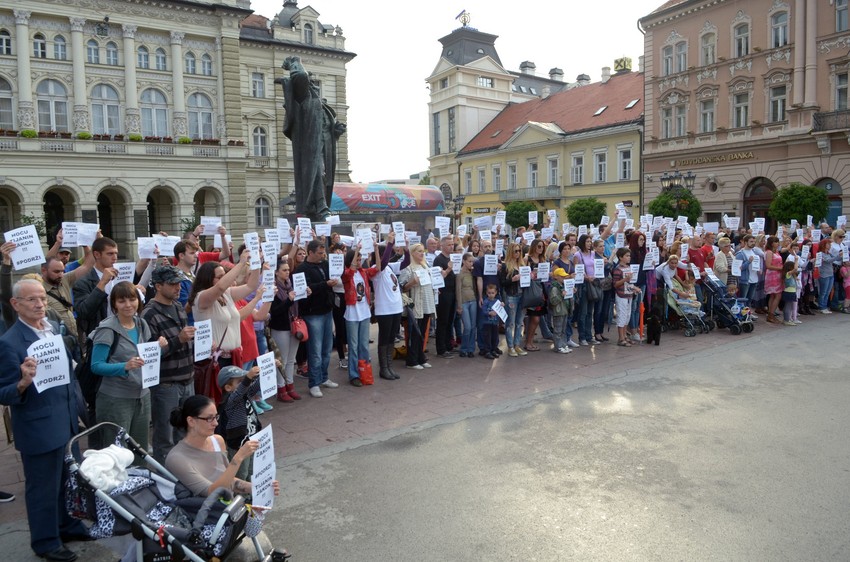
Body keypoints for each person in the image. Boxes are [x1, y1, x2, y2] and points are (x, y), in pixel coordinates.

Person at [0, 279, 90, 562]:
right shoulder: (9, 343)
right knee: (42, 489)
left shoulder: (50, 330)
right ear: (16, 305)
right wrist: (23, 382)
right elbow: (4, 393)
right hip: (39, 428)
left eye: (41, 298)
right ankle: (46, 542)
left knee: (67, 481)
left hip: (65, 422)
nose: (40, 304)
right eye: (32, 300)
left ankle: (68, 525)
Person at [90, 281, 167, 456]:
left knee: (139, 450)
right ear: (114, 304)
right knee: (116, 453)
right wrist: (124, 366)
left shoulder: (141, 324)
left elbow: (146, 359)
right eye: (121, 301)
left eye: (132, 300)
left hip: (142, 396)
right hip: (116, 399)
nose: (128, 305)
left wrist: (158, 349)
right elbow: (96, 366)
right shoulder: (107, 329)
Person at [166, 395, 280, 499]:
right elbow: (213, 492)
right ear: (191, 421)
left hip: (228, 512)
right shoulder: (176, 459)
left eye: (216, 417)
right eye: (209, 418)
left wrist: (259, 488)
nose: (215, 423)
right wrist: (238, 458)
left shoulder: (217, 440)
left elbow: (228, 480)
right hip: (206, 517)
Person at [278, 55, 346, 220]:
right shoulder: (306, 99)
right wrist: (295, 63)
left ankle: (318, 208)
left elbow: (327, 128)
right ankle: (320, 208)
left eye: (316, 86)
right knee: (316, 174)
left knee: (324, 176)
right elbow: (300, 76)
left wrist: (335, 130)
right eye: (312, 85)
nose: (315, 88)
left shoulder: (323, 107)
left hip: (324, 146)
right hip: (310, 146)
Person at [141, 265, 196, 464]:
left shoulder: (178, 307)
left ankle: (184, 471)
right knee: (165, 434)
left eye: (179, 283)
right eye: (172, 284)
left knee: (185, 431)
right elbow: (149, 354)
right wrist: (178, 340)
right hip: (166, 384)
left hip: (186, 378)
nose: (178, 287)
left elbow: (184, 341)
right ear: (158, 286)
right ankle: (165, 474)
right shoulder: (149, 314)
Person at [188, 249, 258, 371]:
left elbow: (251, 286)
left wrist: (256, 261)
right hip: (216, 359)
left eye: (224, 276)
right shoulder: (201, 297)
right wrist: (241, 263)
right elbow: (220, 287)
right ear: (207, 279)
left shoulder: (226, 294)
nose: (224, 279)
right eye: (219, 277)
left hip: (234, 356)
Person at [296, 239, 339, 397]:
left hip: (327, 311)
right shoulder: (301, 269)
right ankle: (314, 382)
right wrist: (326, 284)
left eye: (323, 253)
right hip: (312, 313)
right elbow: (305, 289)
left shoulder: (325, 264)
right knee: (315, 350)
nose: (322, 256)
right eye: (319, 253)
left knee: (327, 348)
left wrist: (332, 283)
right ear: (311, 252)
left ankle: (324, 377)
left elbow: (330, 279)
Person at [341, 243, 380, 386]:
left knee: (363, 345)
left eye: (360, 259)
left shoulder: (363, 272)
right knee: (353, 345)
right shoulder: (346, 273)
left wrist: (376, 249)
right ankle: (354, 375)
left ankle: (364, 370)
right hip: (352, 314)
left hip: (364, 313)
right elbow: (349, 272)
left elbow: (378, 268)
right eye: (357, 259)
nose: (359, 262)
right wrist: (356, 250)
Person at [217, 365, 262, 481]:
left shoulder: (246, 393)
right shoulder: (230, 400)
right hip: (239, 444)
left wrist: (268, 368)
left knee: (252, 471)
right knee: (241, 473)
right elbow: (239, 392)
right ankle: (239, 497)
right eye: (239, 382)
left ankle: (250, 495)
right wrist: (247, 378)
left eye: (243, 380)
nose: (244, 384)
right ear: (228, 387)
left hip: (252, 438)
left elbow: (257, 385)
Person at [269, 260, 302, 401]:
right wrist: (288, 300)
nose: (287, 272)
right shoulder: (273, 289)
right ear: (276, 272)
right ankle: (281, 388)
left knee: (290, 359)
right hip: (280, 327)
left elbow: (298, 305)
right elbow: (274, 311)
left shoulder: (290, 285)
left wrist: (304, 294)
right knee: (280, 359)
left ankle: (290, 385)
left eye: (288, 269)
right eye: (284, 270)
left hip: (293, 325)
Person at [399, 243, 436, 370]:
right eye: (419, 251)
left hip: (426, 303)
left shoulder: (425, 266)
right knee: (415, 332)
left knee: (422, 332)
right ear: (412, 253)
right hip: (416, 304)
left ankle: (421, 357)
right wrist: (412, 282)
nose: (422, 253)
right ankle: (412, 360)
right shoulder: (408, 268)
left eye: (422, 251)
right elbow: (402, 287)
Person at [371, 233, 403, 380]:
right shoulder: (376, 269)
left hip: (396, 308)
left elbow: (406, 262)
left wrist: (406, 248)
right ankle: (383, 368)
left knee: (391, 338)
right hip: (384, 310)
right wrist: (389, 244)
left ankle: (389, 366)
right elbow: (382, 264)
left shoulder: (389, 267)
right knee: (384, 338)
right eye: (387, 254)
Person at [499, 242, 527, 356]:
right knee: (510, 323)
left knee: (519, 323)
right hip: (511, 296)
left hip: (522, 295)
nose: (518, 253)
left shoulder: (522, 264)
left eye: (519, 251)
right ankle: (510, 346)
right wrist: (512, 279)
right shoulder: (505, 266)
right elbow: (502, 283)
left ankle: (517, 345)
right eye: (516, 251)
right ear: (511, 252)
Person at [433, 236, 457, 358]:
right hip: (443, 294)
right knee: (442, 321)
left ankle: (448, 345)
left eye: (452, 244)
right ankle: (441, 349)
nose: (451, 246)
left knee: (449, 321)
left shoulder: (452, 258)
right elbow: (437, 277)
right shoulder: (438, 260)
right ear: (442, 246)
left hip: (452, 292)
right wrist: (448, 269)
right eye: (449, 245)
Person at [612, 248, 641, 347]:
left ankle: (624, 336)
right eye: (626, 256)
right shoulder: (617, 269)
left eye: (629, 256)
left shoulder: (628, 268)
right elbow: (615, 284)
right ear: (620, 257)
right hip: (621, 296)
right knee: (622, 316)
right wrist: (625, 279)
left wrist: (634, 288)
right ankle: (620, 338)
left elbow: (629, 283)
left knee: (627, 316)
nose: (629, 258)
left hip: (629, 295)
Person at [455, 253, 478, 358]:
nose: (471, 263)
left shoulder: (472, 273)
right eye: (469, 261)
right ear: (463, 261)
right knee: (467, 327)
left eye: (472, 261)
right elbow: (458, 290)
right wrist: (459, 305)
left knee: (473, 327)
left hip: (473, 301)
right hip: (464, 302)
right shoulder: (459, 274)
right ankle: (463, 348)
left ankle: (471, 349)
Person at [548, 267, 573, 354]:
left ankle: (563, 345)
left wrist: (571, 292)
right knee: (558, 330)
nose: (564, 278)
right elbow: (553, 301)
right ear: (556, 277)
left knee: (563, 329)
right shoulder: (554, 288)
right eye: (562, 276)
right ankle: (558, 346)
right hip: (558, 312)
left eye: (564, 276)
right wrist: (561, 296)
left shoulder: (563, 286)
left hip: (564, 310)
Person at [763, 236, 784, 324]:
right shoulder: (769, 252)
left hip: (778, 274)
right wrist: (780, 268)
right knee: (777, 295)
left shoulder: (777, 252)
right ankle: (771, 314)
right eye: (776, 242)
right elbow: (768, 265)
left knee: (773, 295)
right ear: (772, 243)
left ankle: (771, 313)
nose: (778, 243)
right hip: (772, 275)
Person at [816, 238, 836, 313]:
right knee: (823, 292)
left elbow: (834, 258)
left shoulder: (829, 253)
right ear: (823, 245)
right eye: (828, 244)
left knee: (828, 291)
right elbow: (828, 260)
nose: (830, 245)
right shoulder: (821, 254)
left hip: (830, 274)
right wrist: (838, 256)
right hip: (824, 275)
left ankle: (824, 306)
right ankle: (821, 307)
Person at [781, 260, 799, 326]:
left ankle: (786, 319)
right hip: (789, 292)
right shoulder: (788, 274)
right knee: (788, 306)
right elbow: (795, 269)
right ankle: (786, 320)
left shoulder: (790, 275)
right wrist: (796, 260)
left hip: (791, 292)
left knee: (788, 306)